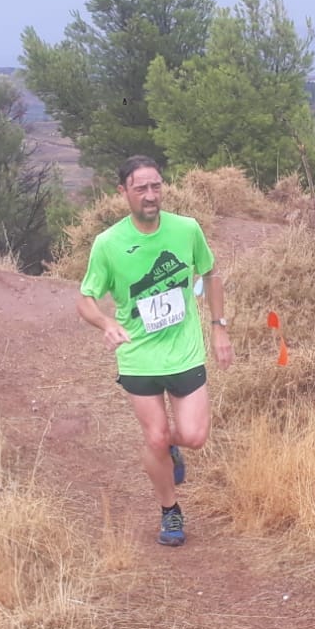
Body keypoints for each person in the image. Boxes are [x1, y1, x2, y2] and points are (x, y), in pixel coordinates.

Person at [76, 156, 234, 546]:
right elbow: (85, 298)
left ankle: (169, 451)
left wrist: (218, 327)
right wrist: (106, 323)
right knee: (155, 436)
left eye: (156, 186)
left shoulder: (186, 230)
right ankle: (170, 512)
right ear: (123, 192)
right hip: (138, 353)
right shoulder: (108, 244)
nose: (151, 195)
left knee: (194, 436)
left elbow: (210, 274)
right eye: (141, 188)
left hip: (184, 349)